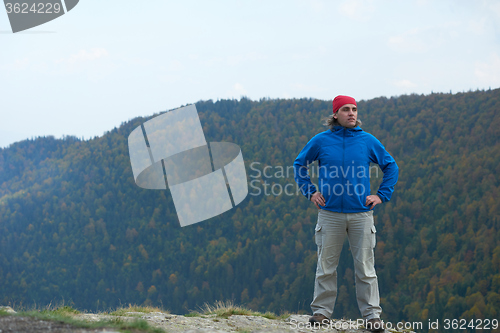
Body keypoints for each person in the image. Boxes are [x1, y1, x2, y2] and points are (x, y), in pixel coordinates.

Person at [293, 95, 398, 332]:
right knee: (326, 265)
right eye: (346, 110)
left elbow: (391, 166)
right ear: (335, 115)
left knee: (365, 267)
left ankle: (372, 317)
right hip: (329, 213)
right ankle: (321, 313)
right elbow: (299, 164)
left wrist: (381, 195)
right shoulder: (321, 141)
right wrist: (310, 191)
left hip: (362, 214)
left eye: (354, 109)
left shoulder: (367, 141)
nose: (352, 113)